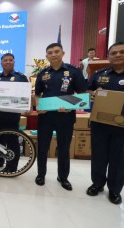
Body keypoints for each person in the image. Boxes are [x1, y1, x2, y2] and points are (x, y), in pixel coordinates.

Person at [86, 42, 124, 204]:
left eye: (122, 52)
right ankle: (97, 183)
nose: (117, 55)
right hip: (100, 122)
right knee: (99, 156)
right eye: (113, 53)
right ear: (108, 56)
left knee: (119, 157)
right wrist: (91, 94)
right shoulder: (99, 74)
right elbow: (88, 91)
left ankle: (115, 190)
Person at [34, 43, 87, 190]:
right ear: (46, 56)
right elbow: (37, 94)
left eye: (56, 51)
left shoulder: (73, 72)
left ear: (63, 53)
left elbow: (83, 95)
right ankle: (41, 175)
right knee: (43, 147)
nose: (53, 54)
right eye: (50, 52)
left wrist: (70, 106)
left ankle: (63, 177)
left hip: (66, 117)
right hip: (45, 117)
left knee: (64, 148)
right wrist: (39, 106)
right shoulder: (42, 73)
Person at [0, 53, 29, 172]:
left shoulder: (20, 77)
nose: (7, 62)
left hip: (11, 116)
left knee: (12, 141)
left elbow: (26, 94)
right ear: (1, 63)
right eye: (5, 60)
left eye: (10, 60)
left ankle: (11, 167)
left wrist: (27, 107)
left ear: (14, 62)